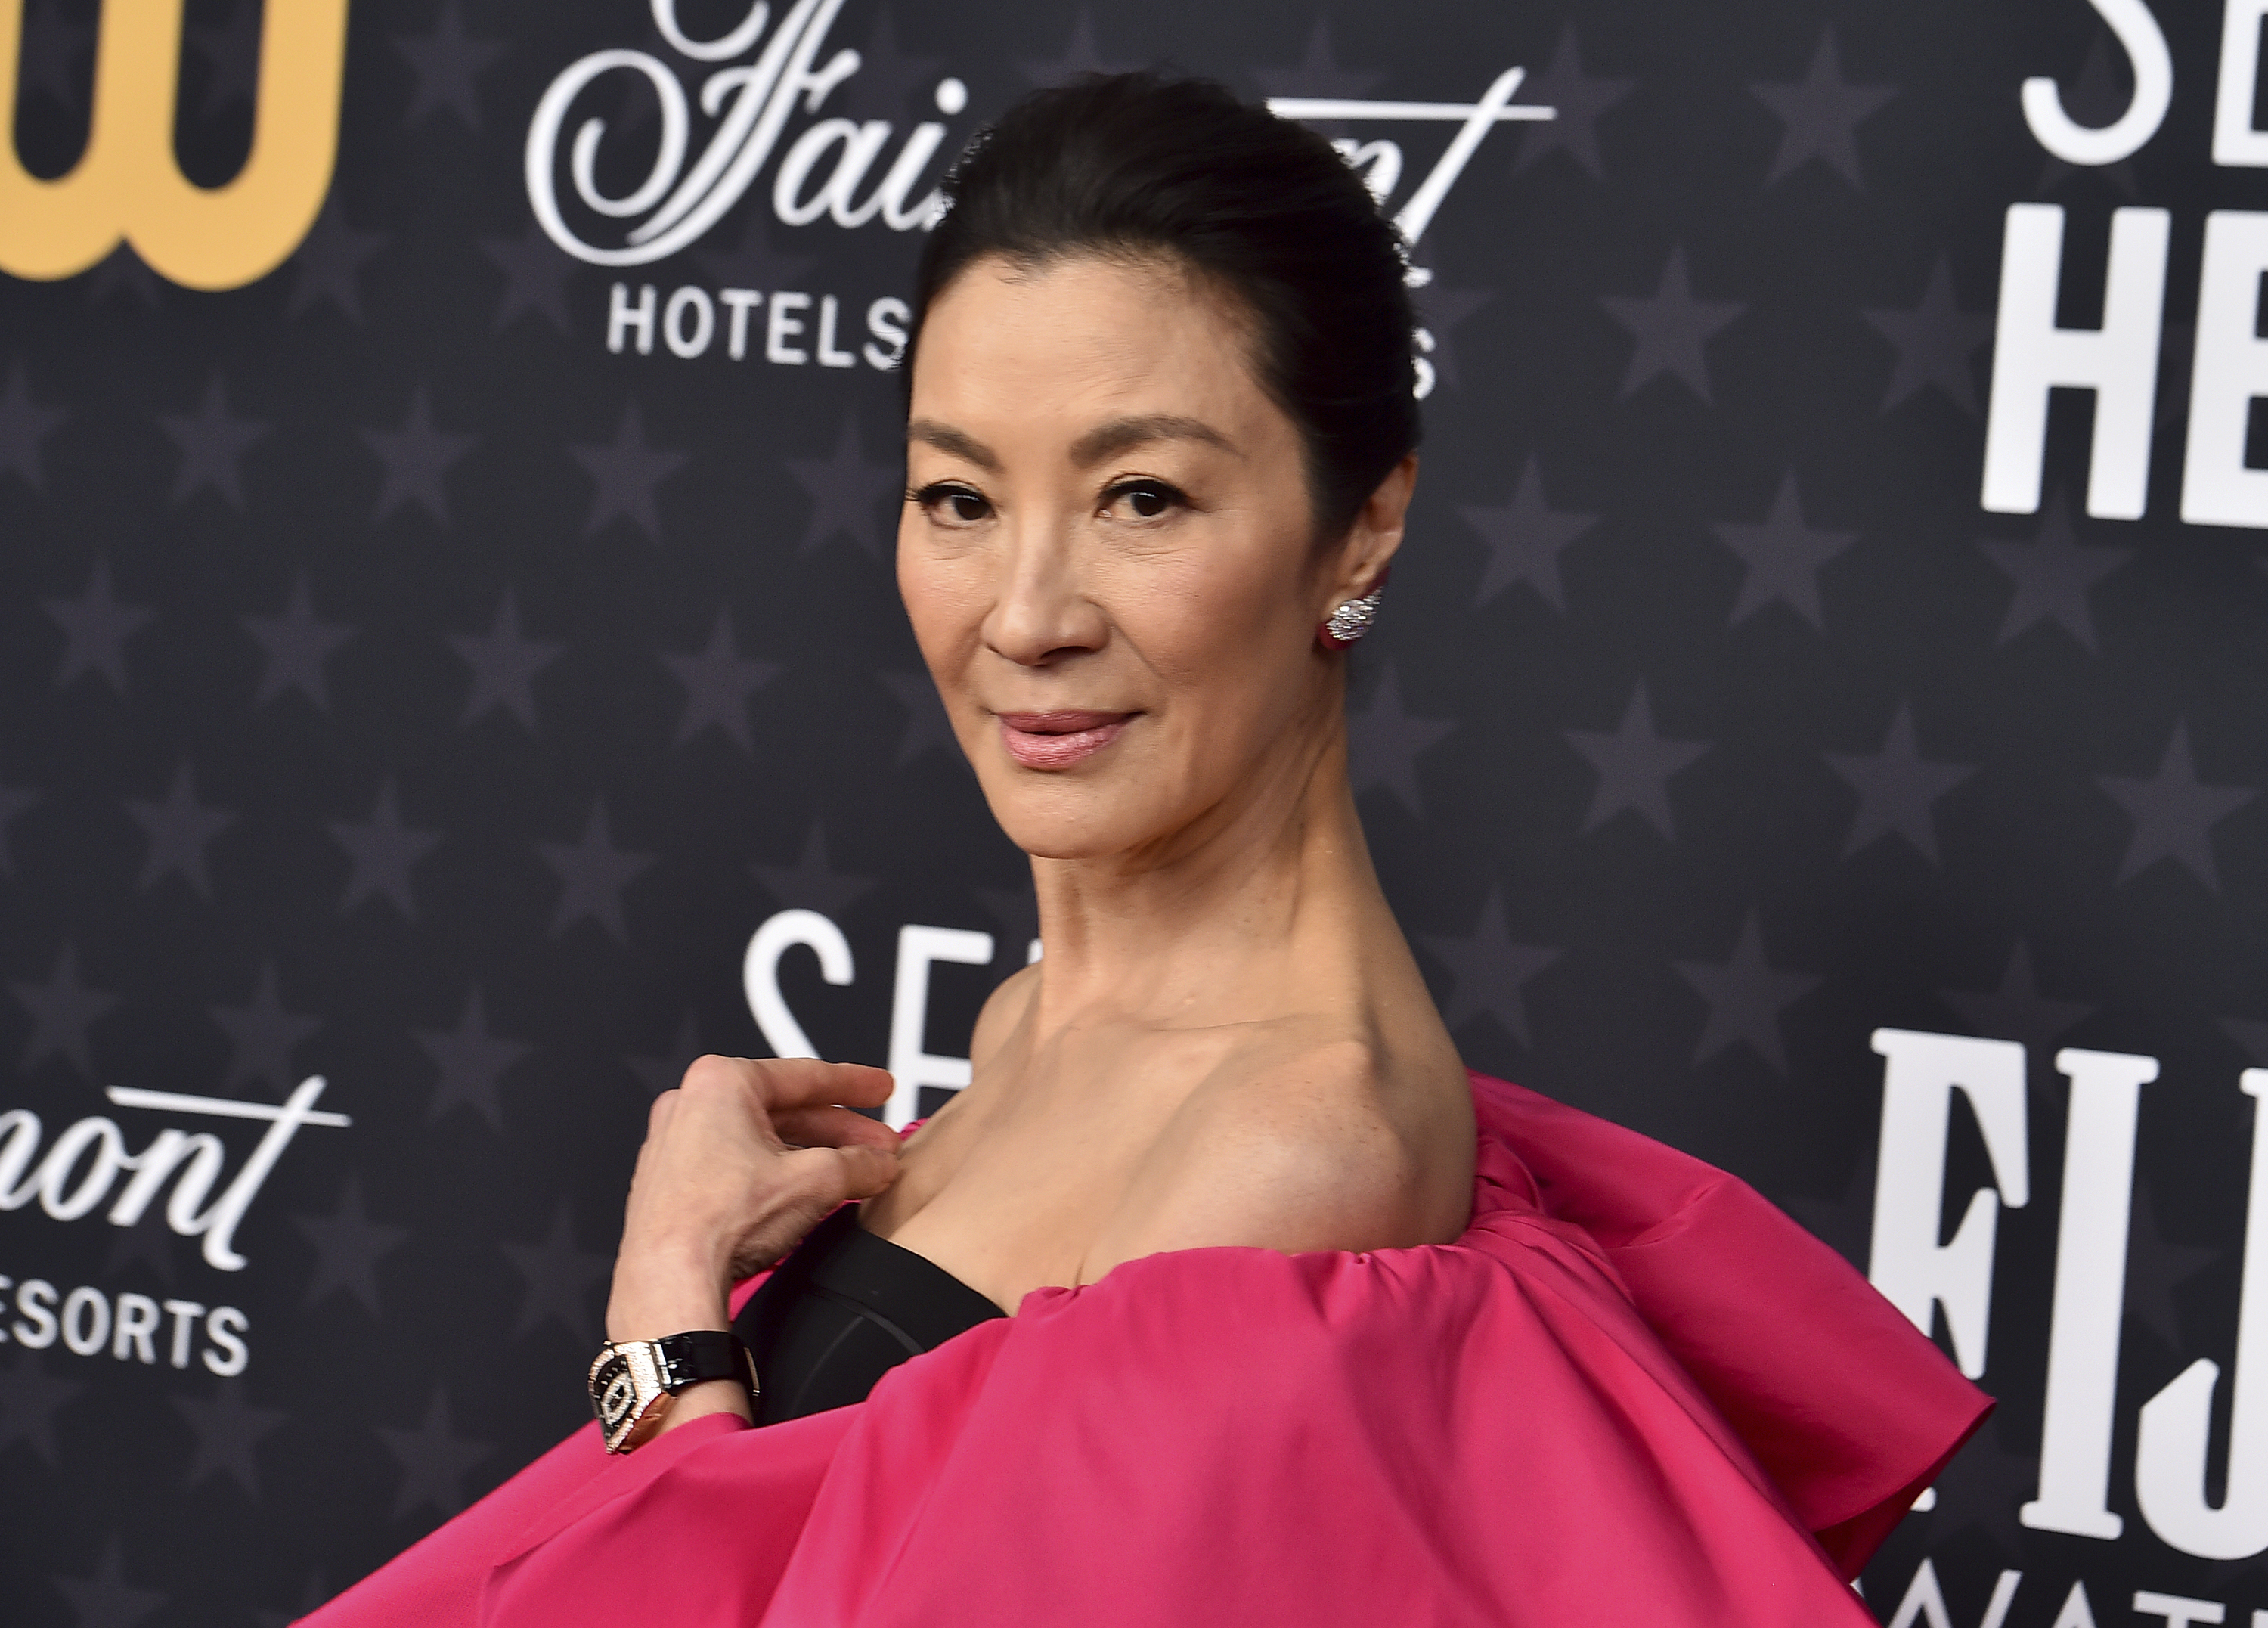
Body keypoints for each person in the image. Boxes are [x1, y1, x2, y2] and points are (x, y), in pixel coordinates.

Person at [305, 73, 1984, 1626]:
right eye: (960, 499)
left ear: (1365, 523)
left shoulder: (1285, 1159)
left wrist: (667, 1316)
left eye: (1144, 499)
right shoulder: (1042, 1022)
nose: (1026, 615)